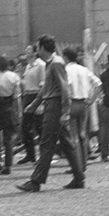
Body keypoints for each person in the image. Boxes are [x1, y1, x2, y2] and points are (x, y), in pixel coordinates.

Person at [17, 34, 85, 192]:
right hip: (52, 104)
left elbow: (64, 89)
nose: (37, 50)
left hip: (55, 106)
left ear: (42, 47)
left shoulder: (55, 64)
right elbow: (46, 88)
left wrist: (65, 112)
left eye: (38, 47)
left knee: (46, 143)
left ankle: (36, 181)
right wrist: (34, 104)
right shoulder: (51, 63)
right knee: (67, 143)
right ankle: (79, 177)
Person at [64, 47, 102, 170]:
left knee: (73, 136)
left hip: (72, 103)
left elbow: (68, 87)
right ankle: (84, 163)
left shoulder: (66, 70)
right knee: (83, 134)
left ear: (65, 57)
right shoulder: (84, 70)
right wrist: (91, 99)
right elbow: (98, 84)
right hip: (84, 104)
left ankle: (77, 165)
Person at [19, 44, 44, 164]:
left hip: (37, 95)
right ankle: (30, 155)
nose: (26, 51)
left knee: (39, 127)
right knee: (25, 127)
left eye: (29, 50)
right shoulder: (28, 66)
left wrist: (41, 103)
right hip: (27, 95)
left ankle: (43, 155)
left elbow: (43, 85)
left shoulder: (41, 65)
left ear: (35, 52)